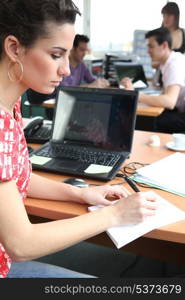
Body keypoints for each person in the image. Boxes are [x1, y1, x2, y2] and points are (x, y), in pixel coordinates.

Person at [0, 0, 158, 279]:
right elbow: (21, 244)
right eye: (55, 55)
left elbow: (13, 177)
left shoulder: (11, 105)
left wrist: (79, 193)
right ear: (14, 48)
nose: (67, 70)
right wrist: (113, 215)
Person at [121, 27, 185, 133]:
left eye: (151, 46)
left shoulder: (174, 65)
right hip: (179, 110)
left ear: (164, 45)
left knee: (148, 121)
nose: (148, 51)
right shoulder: (168, 62)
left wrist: (136, 95)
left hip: (181, 115)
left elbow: (169, 101)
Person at [153, 2, 185, 87]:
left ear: (176, 16)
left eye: (169, 15)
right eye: (164, 15)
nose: (165, 18)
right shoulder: (160, 35)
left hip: (177, 79)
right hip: (161, 79)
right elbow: (153, 63)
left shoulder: (182, 33)